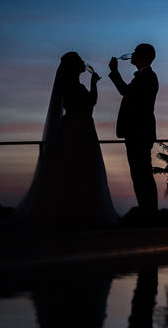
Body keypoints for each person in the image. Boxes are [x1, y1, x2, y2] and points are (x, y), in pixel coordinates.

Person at [12, 51, 119, 227]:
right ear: (74, 66)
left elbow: (90, 104)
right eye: (80, 61)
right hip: (76, 129)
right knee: (74, 167)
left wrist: (93, 84)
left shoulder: (75, 85)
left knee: (84, 168)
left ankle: (82, 212)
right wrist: (92, 86)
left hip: (83, 127)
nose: (84, 62)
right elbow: (86, 105)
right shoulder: (70, 87)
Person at [108, 43, 159, 217]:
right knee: (140, 174)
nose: (132, 55)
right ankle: (148, 211)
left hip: (139, 133)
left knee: (141, 174)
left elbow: (126, 92)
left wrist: (114, 72)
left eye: (136, 53)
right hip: (138, 133)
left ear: (144, 56)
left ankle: (149, 213)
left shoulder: (148, 78)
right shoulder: (144, 77)